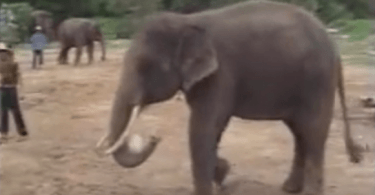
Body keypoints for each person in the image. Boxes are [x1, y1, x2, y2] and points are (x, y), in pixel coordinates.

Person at [0, 42, 28, 143]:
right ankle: (20, 132)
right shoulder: (13, 62)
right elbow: (19, 77)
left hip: (7, 88)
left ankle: (6, 134)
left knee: (8, 112)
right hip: (9, 88)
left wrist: (21, 91)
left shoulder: (10, 63)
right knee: (10, 111)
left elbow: (18, 77)